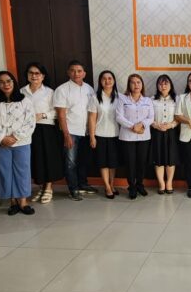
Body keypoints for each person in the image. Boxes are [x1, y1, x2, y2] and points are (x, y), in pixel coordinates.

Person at [0, 71, 36, 215]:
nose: (6, 84)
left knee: (22, 171)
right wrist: (2, 138)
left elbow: (30, 122)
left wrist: (14, 137)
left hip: (21, 143)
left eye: (8, 81)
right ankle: (13, 202)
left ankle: (23, 202)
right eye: (1, 82)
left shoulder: (25, 101)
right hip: (0, 144)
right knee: (5, 172)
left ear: (14, 82)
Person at [21, 62, 63, 204]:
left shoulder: (49, 92)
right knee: (35, 158)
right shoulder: (21, 92)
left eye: (37, 73)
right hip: (27, 130)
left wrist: (42, 115)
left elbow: (56, 111)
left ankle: (49, 188)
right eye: (31, 73)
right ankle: (41, 187)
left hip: (45, 128)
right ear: (27, 75)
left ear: (43, 76)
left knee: (47, 158)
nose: (34, 76)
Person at [53, 60, 96, 200]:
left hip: (86, 131)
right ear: (68, 72)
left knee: (83, 160)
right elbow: (61, 115)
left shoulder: (89, 89)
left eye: (79, 71)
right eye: (73, 70)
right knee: (70, 162)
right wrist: (66, 135)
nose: (76, 73)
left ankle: (83, 184)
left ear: (84, 73)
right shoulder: (62, 89)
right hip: (71, 131)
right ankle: (73, 189)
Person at [116, 73, 154, 199]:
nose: (136, 85)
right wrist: (133, 126)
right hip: (127, 136)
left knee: (141, 162)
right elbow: (119, 117)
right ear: (129, 85)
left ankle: (140, 185)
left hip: (143, 136)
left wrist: (142, 124)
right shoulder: (123, 99)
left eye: (138, 82)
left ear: (142, 84)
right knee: (130, 163)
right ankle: (131, 186)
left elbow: (151, 117)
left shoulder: (148, 100)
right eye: (133, 82)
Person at [87, 70, 121, 199]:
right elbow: (92, 119)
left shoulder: (119, 97)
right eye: (104, 79)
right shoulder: (95, 98)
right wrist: (92, 136)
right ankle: (107, 186)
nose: (107, 81)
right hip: (100, 135)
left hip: (116, 135)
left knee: (113, 163)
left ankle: (112, 184)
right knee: (103, 163)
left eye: (110, 78)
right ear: (100, 81)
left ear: (114, 81)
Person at [151, 74, 179, 194]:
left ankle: (169, 183)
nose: (163, 86)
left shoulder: (176, 99)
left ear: (170, 85)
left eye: (166, 83)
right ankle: (161, 184)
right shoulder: (152, 100)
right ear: (157, 86)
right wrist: (155, 125)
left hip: (171, 132)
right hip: (156, 132)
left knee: (171, 159)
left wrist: (171, 125)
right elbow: (148, 116)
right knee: (158, 159)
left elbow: (179, 117)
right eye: (160, 84)